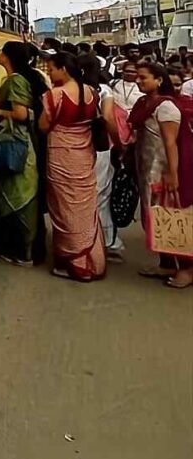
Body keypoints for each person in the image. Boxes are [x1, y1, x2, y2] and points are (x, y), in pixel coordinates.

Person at [38, 52, 106, 281]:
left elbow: (43, 126)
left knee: (64, 209)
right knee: (84, 208)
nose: (50, 73)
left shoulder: (54, 95)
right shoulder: (91, 92)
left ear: (63, 69)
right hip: (84, 156)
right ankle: (93, 261)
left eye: (52, 69)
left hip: (60, 156)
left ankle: (76, 263)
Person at [129, 62, 192, 289]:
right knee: (153, 218)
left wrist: (171, 173)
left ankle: (186, 268)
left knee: (171, 217)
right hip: (147, 168)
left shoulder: (166, 107)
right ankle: (166, 263)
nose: (138, 80)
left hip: (163, 170)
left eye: (143, 77)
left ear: (159, 80)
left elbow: (171, 143)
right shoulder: (145, 103)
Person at [0, 41, 45, 266]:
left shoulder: (15, 81)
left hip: (16, 145)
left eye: (1, 52)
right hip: (23, 144)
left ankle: (22, 252)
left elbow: (20, 113)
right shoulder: (22, 79)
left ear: (8, 57)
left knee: (16, 195)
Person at [79, 53, 123, 260]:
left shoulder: (74, 90)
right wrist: (119, 143)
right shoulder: (103, 91)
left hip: (78, 145)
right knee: (102, 193)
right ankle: (108, 242)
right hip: (100, 145)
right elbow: (108, 119)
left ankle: (83, 240)